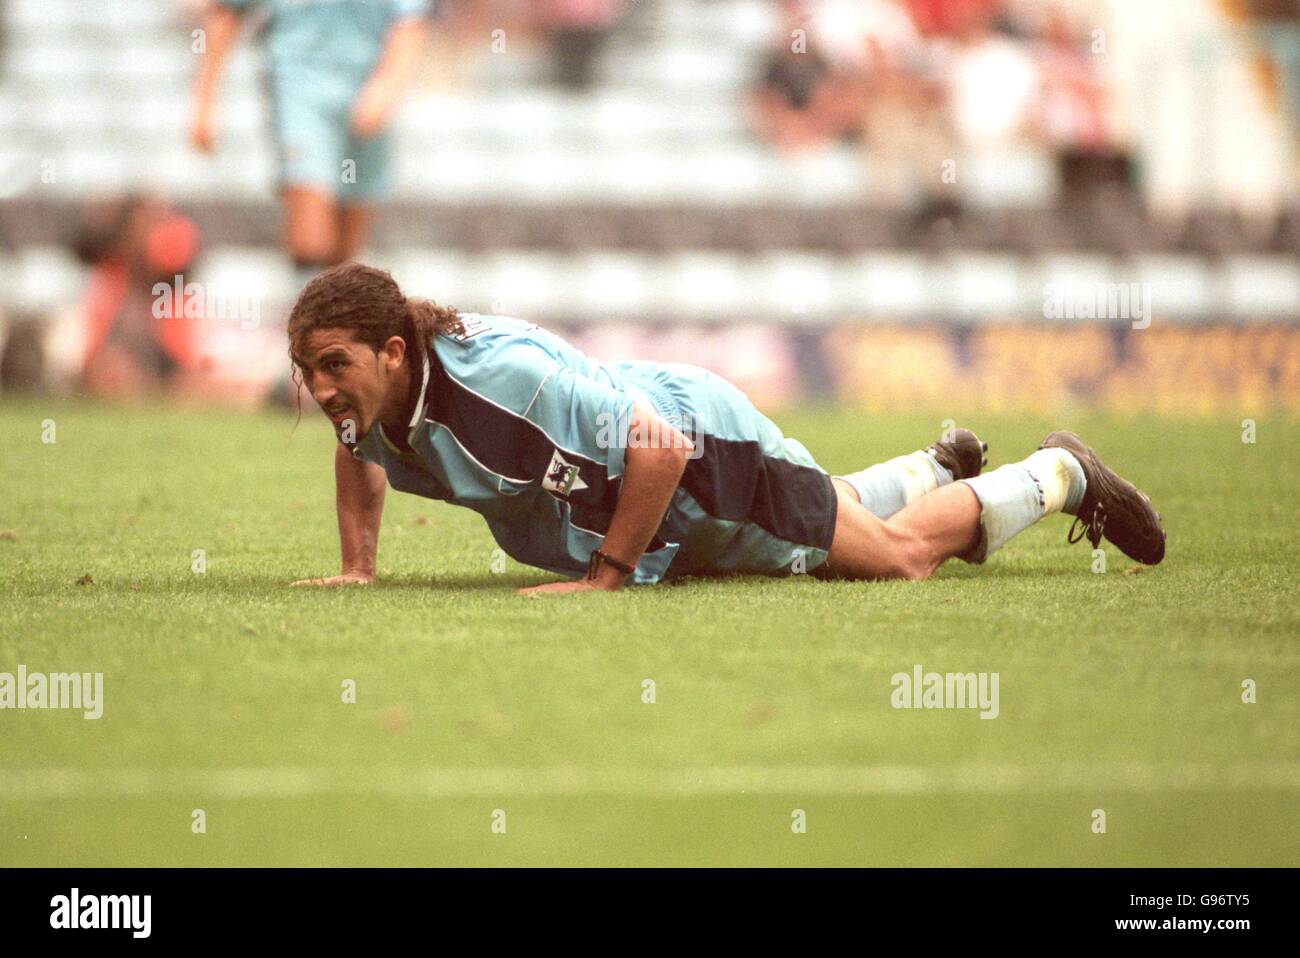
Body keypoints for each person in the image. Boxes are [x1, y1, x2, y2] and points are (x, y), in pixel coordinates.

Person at [287, 263, 1165, 596]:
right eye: (309, 371)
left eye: (335, 366)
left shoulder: (499, 383)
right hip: (659, 489)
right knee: (813, 521)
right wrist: (360, 566)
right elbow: (355, 449)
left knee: (890, 557)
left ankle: (1057, 474)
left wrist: (606, 578)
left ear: (394, 351)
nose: (323, 390)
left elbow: (660, 446)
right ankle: (940, 464)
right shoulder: (378, 403)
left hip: (697, 449)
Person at [189, 0, 429, 282]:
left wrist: (387, 85)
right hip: (298, 88)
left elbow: (410, 22)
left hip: (365, 90)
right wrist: (204, 104)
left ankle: (337, 312)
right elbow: (227, 13)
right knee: (310, 220)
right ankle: (308, 308)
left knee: (348, 236)